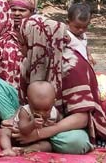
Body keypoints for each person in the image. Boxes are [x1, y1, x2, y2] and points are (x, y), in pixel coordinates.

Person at [6, 16, 106, 154]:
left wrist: (40, 133)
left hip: (61, 123)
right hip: (31, 115)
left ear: (38, 41)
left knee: (77, 142)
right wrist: (17, 118)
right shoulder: (31, 58)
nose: (19, 49)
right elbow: (25, 101)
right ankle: (19, 128)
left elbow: (82, 118)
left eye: (23, 44)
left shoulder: (72, 66)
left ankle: (35, 140)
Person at [0, 81, 61, 157]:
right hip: (17, 136)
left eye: (46, 110)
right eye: (36, 109)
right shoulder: (24, 111)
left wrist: (52, 124)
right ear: (28, 102)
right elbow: (23, 129)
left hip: (36, 140)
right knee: (4, 132)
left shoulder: (55, 112)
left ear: (53, 102)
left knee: (47, 145)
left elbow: (59, 123)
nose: (42, 113)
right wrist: (32, 124)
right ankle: (7, 149)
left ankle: (25, 149)